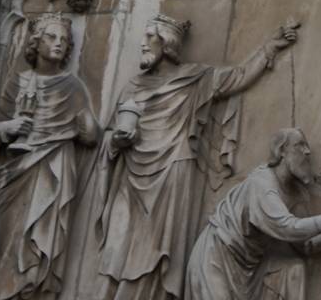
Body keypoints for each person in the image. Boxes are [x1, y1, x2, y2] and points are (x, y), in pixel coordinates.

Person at [90, 16, 299, 300]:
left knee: (157, 247)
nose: (142, 42)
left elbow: (237, 77)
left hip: (173, 170)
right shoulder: (132, 88)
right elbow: (112, 133)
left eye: (150, 36)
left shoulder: (194, 79)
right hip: (131, 173)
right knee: (118, 243)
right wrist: (116, 140)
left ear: (167, 44)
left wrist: (269, 48)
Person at [0, 17, 98, 300]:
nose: (59, 43)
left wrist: (83, 127)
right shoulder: (19, 82)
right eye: (51, 37)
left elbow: (90, 135)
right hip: (15, 171)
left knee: (39, 244)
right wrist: (7, 128)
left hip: (52, 171)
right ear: (36, 43)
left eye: (64, 40)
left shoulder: (72, 87)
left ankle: (28, 292)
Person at [187, 129, 321, 300]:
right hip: (217, 257)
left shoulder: (296, 194)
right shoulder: (262, 184)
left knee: (294, 268)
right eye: (300, 145)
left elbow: (306, 245)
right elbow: (288, 228)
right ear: (281, 152)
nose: (308, 151)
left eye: (307, 146)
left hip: (248, 266)